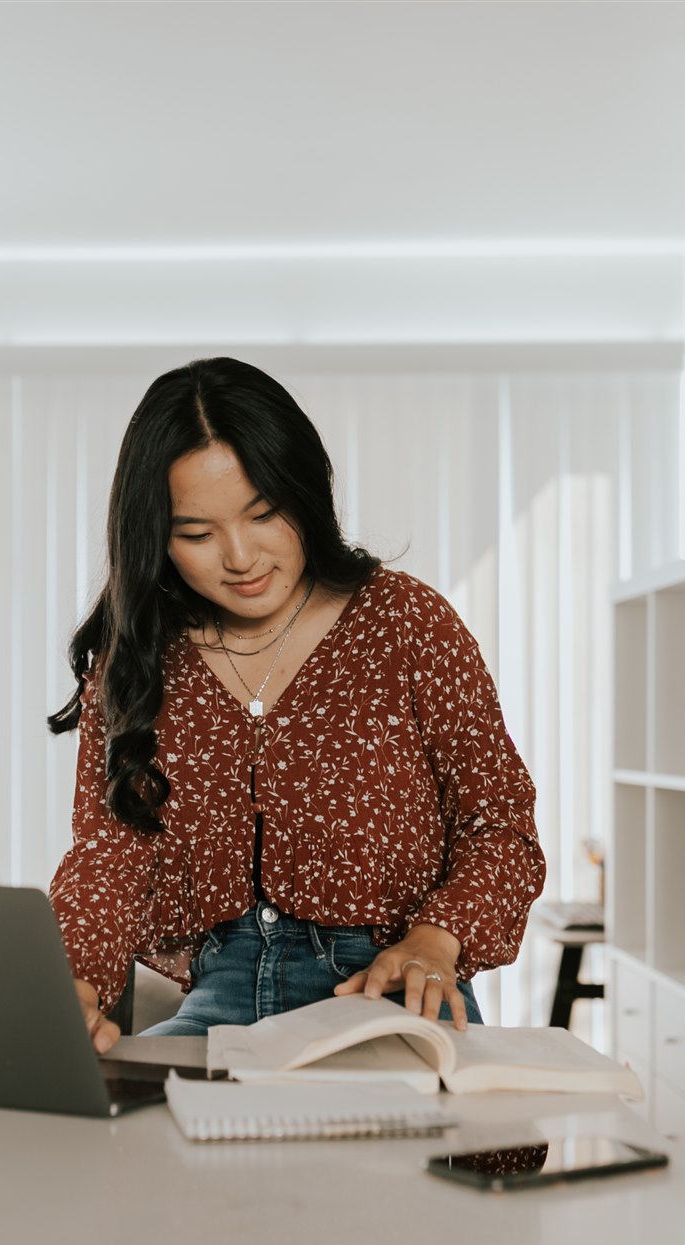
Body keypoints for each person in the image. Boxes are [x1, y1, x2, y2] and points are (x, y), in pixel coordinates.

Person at [47, 357, 545, 1051]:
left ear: (304, 492)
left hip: (389, 992)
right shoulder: (135, 661)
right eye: (196, 533)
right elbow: (110, 858)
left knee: (416, 1149)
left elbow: (501, 826)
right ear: (155, 536)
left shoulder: (406, 624)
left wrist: (437, 939)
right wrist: (75, 984)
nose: (240, 556)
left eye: (264, 513)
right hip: (220, 1002)